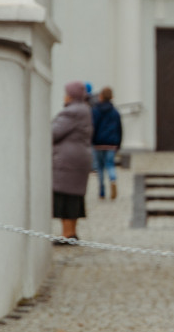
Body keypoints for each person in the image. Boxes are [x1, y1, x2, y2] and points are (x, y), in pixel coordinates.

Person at [52, 81, 93, 242]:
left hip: (67, 160)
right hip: (79, 157)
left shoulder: (71, 112)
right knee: (74, 196)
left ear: (71, 95)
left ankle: (67, 234)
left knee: (66, 196)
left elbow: (53, 132)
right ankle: (71, 232)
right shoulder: (84, 109)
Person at [91, 86, 122, 200]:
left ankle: (102, 190)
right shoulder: (115, 112)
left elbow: (92, 126)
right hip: (111, 143)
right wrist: (118, 144)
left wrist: (92, 141)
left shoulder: (95, 111)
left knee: (99, 167)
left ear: (101, 96)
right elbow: (119, 129)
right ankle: (113, 179)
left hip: (98, 143)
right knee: (110, 164)